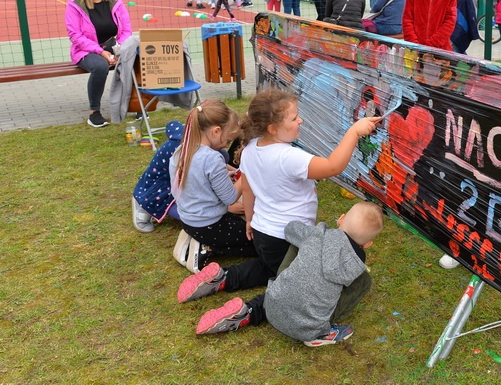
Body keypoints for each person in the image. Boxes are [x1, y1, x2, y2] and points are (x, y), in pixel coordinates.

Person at [176, 90, 382, 312]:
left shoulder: (251, 149)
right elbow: (333, 166)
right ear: (273, 128)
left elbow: (248, 185)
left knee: (268, 268)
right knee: (296, 285)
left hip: (262, 234)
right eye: (294, 118)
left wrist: (249, 218)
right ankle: (249, 311)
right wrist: (354, 132)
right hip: (286, 239)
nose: (300, 120)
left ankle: (223, 277)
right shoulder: (289, 157)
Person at [194, 201, 385, 345]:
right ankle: (322, 333)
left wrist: (308, 235)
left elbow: (290, 229)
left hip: (272, 303)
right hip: (308, 329)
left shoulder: (318, 234)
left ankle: (249, 306)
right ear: (368, 244)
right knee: (363, 281)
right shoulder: (356, 265)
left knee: (299, 241)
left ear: (341, 219)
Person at [169, 100, 249, 273]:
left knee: (239, 227)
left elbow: (194, 183)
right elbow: (229, 198)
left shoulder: (182, 150)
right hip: (210, 224)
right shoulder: (212, 158)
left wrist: (221, 178)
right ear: (216, 131)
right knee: (255, 244)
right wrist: (246, 175)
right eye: (228, 140)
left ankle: (193, 239)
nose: (227, 145)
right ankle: (207, 248)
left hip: (188, 220)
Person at [65, 0, 132, 127]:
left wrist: (118, 50)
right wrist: (101, 52)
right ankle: (94, 112)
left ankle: (136, 106)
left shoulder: (115, 2)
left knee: (136, 56)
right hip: (86, 51)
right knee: (100, 66)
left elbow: (126, 30)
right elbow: (75, 35)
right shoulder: (75, 5)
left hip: (113, 48)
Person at [132, 120, 185, 233]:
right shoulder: (182, 148)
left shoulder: (193, 136)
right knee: (192, 217)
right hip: (160, 190)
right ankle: (143, 204)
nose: (227, 143)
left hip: (176, 185)